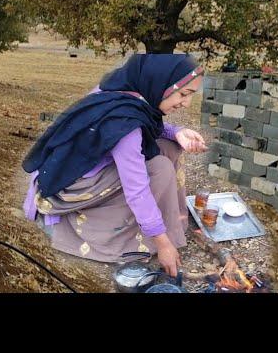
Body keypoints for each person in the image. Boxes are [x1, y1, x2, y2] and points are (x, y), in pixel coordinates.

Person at [22, 54, 207, 277]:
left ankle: (167, 225)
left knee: (170, 147)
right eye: (184, 94)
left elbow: (148, 125)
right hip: (72, 187)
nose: (186, 103)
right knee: (160, 167)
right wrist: (163, 244)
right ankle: (126, 236)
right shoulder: (124, 122)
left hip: (71, 168)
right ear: (161, 84)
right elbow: (136, 190)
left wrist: (176, 132)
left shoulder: (124, 91)